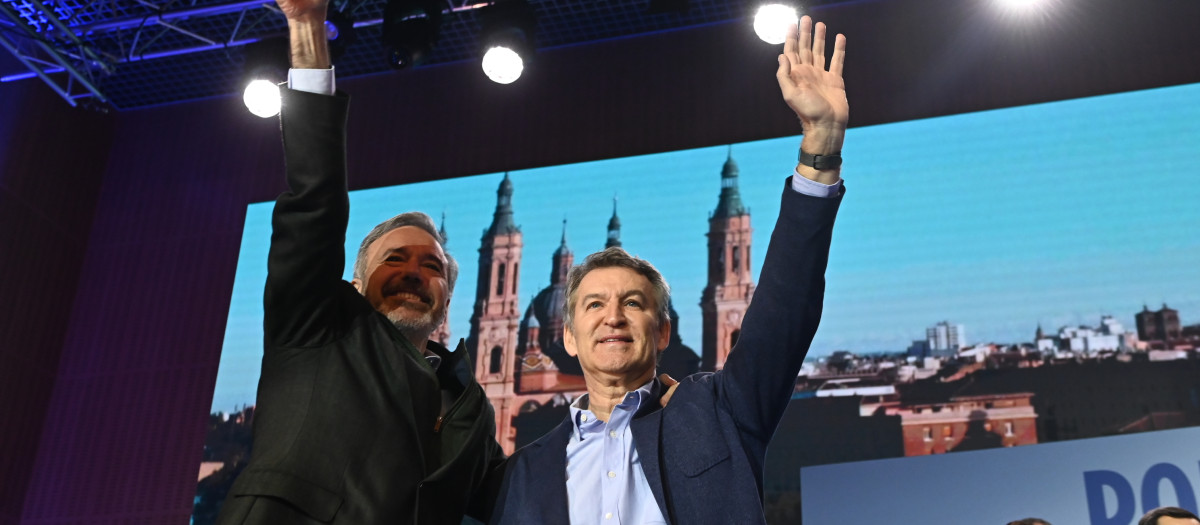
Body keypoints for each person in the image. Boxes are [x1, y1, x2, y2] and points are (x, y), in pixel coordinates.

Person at [491, 15, 847, 524]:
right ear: (567, 338)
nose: (612, 316)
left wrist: (821, 147)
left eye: (632, 303)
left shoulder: (718, 414)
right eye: (594, 304)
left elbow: (782, 314)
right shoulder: (522, 473)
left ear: (662, 332)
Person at [212, 0, 506, 521]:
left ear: (447, 298)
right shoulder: (318, 324)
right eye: (396, 259)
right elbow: (315, 195)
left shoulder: (470, 406)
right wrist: (306, 27)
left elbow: (518, 491)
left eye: (433, 266)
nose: (415, 271)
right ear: (355, 279)